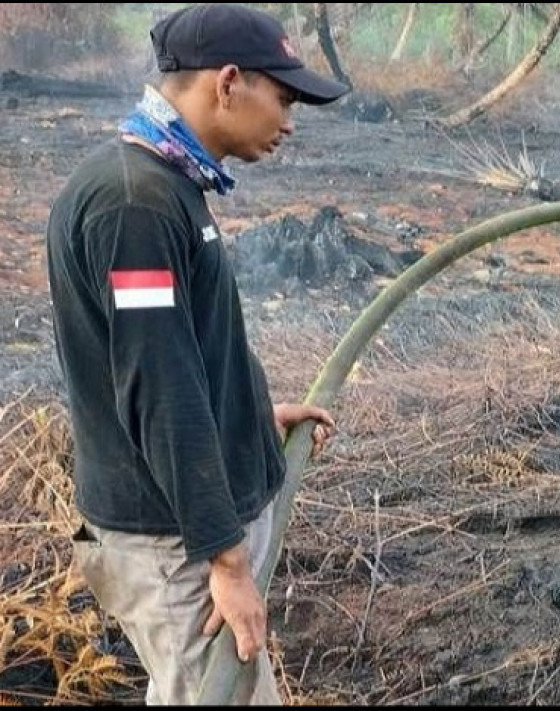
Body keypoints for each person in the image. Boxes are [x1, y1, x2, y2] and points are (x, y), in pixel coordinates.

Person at [45, 4, 350, 705]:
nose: (289, 121)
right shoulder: (135, 204)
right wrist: (226, 560)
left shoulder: (165, 182)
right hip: (173, 544)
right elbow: (158, 386)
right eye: (285, 98)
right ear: (229, 82)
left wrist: (248, 414)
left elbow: (178, 347)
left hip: (183, 532)